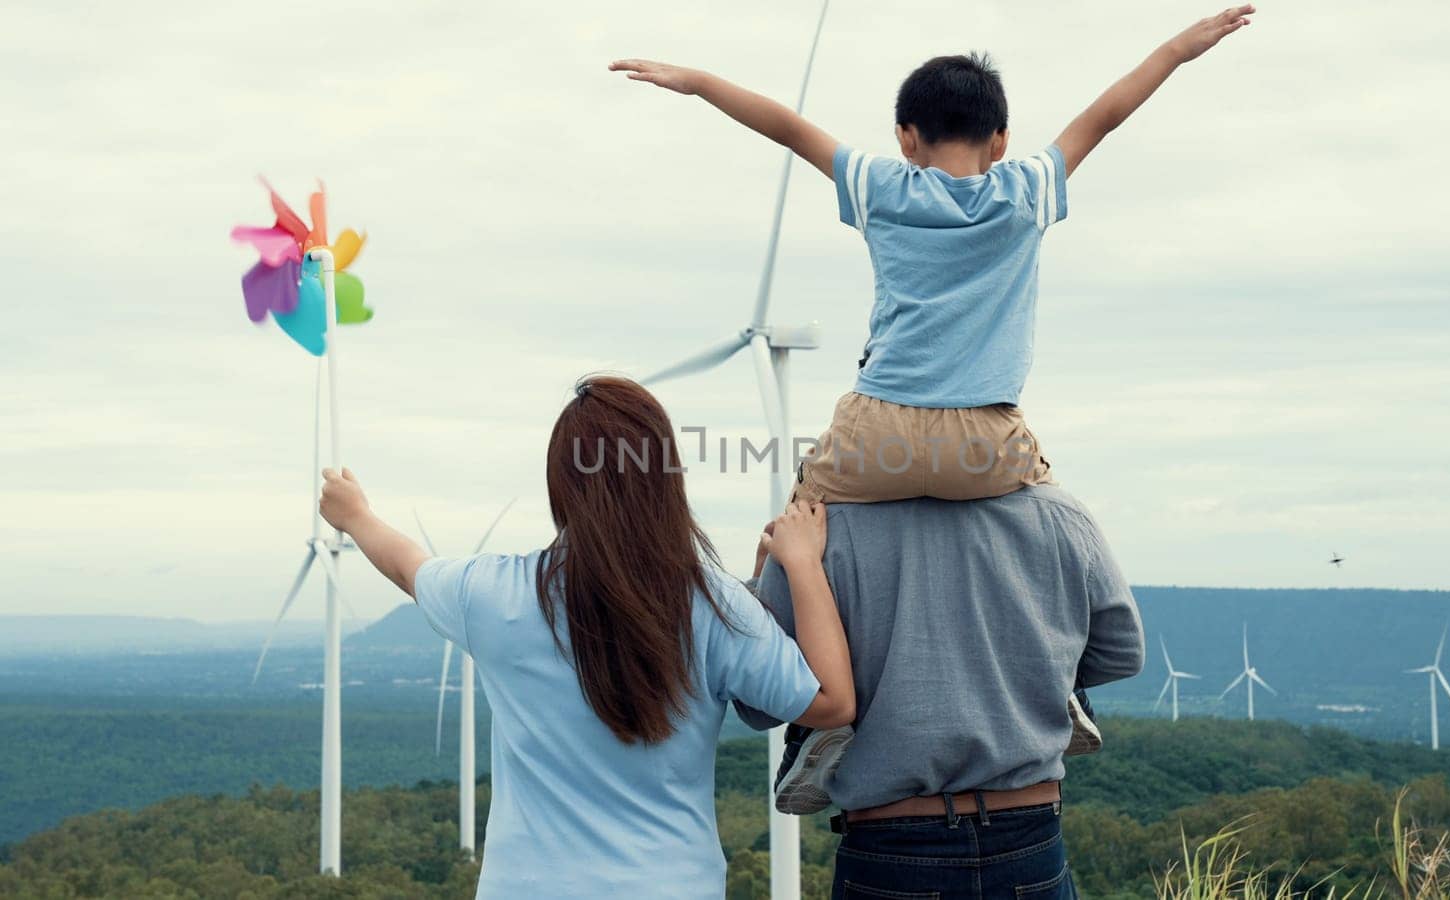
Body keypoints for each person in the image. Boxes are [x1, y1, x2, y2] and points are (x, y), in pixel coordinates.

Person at [611, 5, 1255, 504]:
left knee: (789, 535)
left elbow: (786, 125)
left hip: (877, 433)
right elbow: (1105, 115)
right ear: (1000, 140)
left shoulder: (881, 186)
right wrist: (1177, 50)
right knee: (1060, 532)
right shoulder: (1026, 191)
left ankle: (781, 655)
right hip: (986, 441)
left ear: (905, 138)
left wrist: (695, 81)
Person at [315, 375, 854, 899]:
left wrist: (356, 516)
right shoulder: (713, 603)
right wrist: (802, 563)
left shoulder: (494, 593)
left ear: (561, 485)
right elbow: (831, 701)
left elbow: (410, 567)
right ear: (666, 476)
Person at [741, 487, 1144, 898]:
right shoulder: (1059, 513)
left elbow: (759, 704)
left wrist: (762, 586)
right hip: (1030, 833)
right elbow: (1122, 654)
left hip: (892, 848)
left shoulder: (817, 528)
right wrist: (1030, 676)